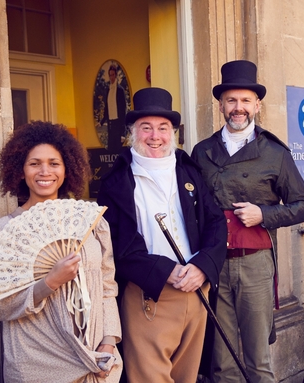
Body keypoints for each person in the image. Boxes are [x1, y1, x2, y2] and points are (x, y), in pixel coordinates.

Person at [191, 59, 304, 383]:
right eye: (231, 100)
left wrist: (265, 214)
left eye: (245, 100)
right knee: (222, 361)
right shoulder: (201, 151)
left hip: (255, 265)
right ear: (220, 105)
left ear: (257, 105)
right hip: (214, 263)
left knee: (258, 360)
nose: (238, 107)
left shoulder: (275, 153)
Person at [97, 87, 227, 383]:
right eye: (146, 128)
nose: (155, 136)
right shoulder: (115, 183)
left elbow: (216, 222)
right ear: (132, 132)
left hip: (196, 291)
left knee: (187, 378)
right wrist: (165, 271)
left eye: (163, 128)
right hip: (148, 296)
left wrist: (203, 266)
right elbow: (115, 245)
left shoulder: (188, 170)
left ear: (173, 132)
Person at [0, 121, 122, 382]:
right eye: (34, 163)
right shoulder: (2, 232)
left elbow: (107, 286)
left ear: (67, 168)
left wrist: (109, 341)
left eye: (54, 163)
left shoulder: (93, 225)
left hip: (92, 356)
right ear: (20, 170)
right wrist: (50, 282)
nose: (45, 171)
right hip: (34, 362)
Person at [100, 64, 127, 153]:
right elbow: (107, 108)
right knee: (110, 150)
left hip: (118, 123)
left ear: (115, 75)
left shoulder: (120, 90)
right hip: (110, 124)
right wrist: (102, 122)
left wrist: (123, 133)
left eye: (113, 75)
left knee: (118, 150)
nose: (111, 77)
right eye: (110, 75)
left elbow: (123, 111)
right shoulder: (108, 90)